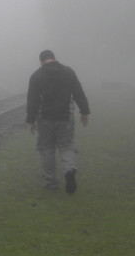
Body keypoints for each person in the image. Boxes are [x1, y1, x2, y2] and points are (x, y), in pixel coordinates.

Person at [25, 49, 90, 193]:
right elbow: (78, 92)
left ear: (41, 61)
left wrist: (31, 120)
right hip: (65, 117)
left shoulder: (36, 76)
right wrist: (84, 111)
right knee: (66, 146)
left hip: (45, 118)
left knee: (46, 148)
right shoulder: (68, 72)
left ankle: (51, 181)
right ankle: (68, 169)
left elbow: (33, 100)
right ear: (54, 58)